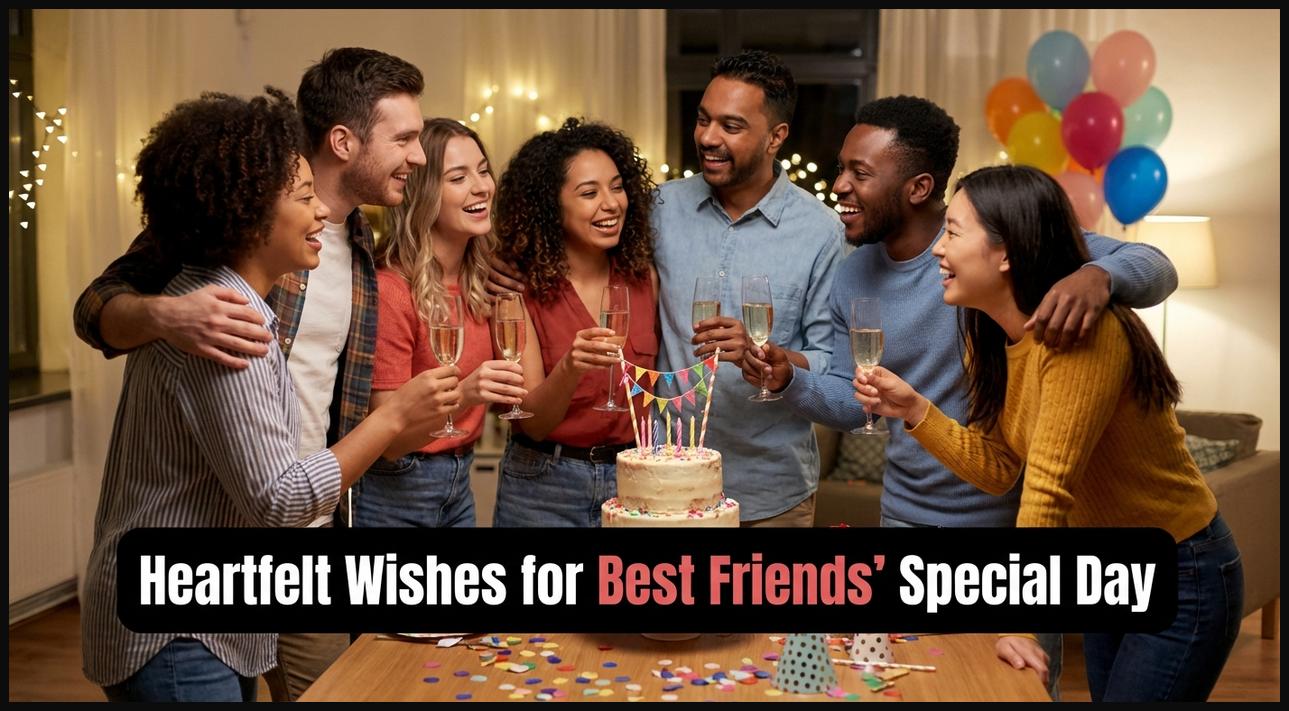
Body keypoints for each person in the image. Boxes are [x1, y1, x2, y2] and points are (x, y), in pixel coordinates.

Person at [742, 95, 1179, 696]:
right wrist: (788, 378)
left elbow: (1155, 265)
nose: (839, 185)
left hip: (1006, 530)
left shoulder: (996, 241)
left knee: (1012, 690)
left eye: (860, 173)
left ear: (919, 186)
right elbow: (853, 402)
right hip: (906, 522)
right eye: (841, 168)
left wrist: (1098, 276)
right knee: (913, 686)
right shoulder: (853, 274)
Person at [72, 47, 431, 701]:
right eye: (405, 137)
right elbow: (94, 308)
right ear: (345, 141)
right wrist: (166, 316)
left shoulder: (357, 247)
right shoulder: (216, 245)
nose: (419, 155)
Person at [853, 164, 1242, 702]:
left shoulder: (1085, 335)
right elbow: (1000, 469)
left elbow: (1046, 486)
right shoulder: (990, 334)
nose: (938, 250)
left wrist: (1022, 621)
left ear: (1007, 252)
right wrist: (917, 410)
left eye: (955, 232)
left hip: (1182, 569)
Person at [489, 50, 845, 526]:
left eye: (731, 126)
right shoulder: (658, 209)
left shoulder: (821, 231)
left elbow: (828, 363)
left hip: (770, 490)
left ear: (776, 137)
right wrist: (499, 261)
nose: (708, 137)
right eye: (703, 119)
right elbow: (571, 238)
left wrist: (770, 356)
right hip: (660, 487)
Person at [355, 118, 526, 528]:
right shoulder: (392, 290)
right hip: (395, 491)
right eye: (458, 177)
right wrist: (464, 394)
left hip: (459, 484)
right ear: (425, 193)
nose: (482, 186)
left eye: (483, 170)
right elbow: (390, 443)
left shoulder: (482, 282)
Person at [489, 118, 660, 527]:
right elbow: (532, 423)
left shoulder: (644, 278)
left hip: (633, 480)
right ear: (551, 206)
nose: (612, 203)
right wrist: (570, 367)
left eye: (617, 187)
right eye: (589, 193)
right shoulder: (516, 290)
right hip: (544, 487)